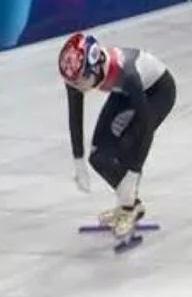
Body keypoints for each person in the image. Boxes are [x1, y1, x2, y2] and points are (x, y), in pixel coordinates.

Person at [58, 32, 177, 239]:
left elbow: (145, 127)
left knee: (127, 145)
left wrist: (133, 173)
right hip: (124, 93)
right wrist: (78, 161)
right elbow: (75, 116)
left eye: (81, 81)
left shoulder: (126, 72)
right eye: (73, 83)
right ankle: (131, 205)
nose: (77, 87)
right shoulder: (78, 73)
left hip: (158, 91)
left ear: (95, 67)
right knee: (99, 157)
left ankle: (128, 206)